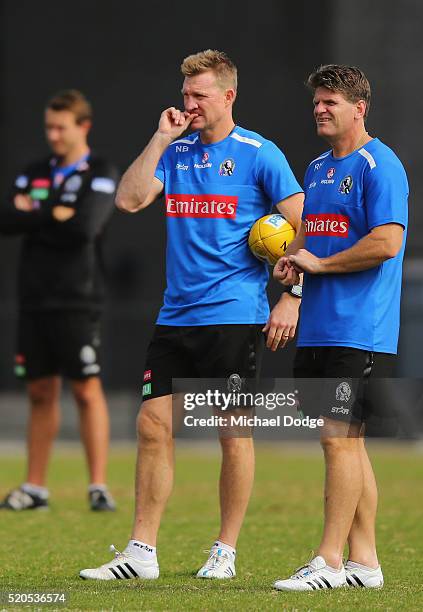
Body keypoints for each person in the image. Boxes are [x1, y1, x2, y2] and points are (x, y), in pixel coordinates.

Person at [79, 49, 304, 581]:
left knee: (232, 432)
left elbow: (306, 224)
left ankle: (224, 551)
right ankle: (142, 552)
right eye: (185, 95)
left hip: (234, 314)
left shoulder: (259, 153)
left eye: (200, 95)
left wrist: (294, 294)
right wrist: (160, 138)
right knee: (153, 425)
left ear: (228, 96)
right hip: (176, 314)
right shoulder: (176, 154)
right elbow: (131, 201)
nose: (190, 105)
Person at [272, 64, 408, 591]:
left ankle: (328, 560)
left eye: (331, 102)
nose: (320, 110)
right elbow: (311, 237)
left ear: (360, 108)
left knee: (338, 440)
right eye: (316, 102)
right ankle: (366, 562)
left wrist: (323, 267)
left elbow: (387, 242)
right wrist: (293, 266)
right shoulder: (316, 167)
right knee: (347, 445)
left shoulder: (382, 165)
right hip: (319, 328)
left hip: (361, 329)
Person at [0, 89, 119, 512]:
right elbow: (6, 219)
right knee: (39, 392)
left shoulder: (99, 170)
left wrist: (35, 213)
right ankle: (35, 488)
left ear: (83, 126)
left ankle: (99, 486)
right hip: (34, 298)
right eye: (48, 126)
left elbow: (85, 227)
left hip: (78, 298)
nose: (52, 134)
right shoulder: (34, 170)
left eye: (60, 127)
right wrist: (54, 211)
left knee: (86, 389)